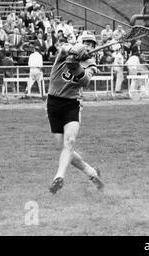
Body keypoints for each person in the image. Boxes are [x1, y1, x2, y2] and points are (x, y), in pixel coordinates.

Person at [47, 32, 104, 194]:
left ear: (95, 48)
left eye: (91, 44)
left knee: (69, 142)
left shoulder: (92, 65)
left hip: (72, 104)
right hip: (53, 102)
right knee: (61, 147)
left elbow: (85, 81)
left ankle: (59, 177)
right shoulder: (66, 52)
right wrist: (75, 52)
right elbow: (65, 49)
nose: (88, 46)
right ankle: (91, 172)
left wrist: (76, 66)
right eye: (85, 42)